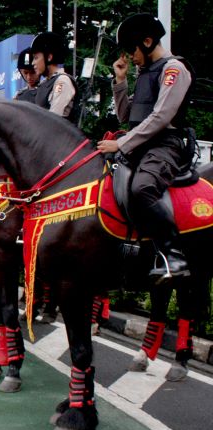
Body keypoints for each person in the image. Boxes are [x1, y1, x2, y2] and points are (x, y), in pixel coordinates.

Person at [97, 13, 195, 281]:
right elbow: (128, 116)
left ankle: (174, 256)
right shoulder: (144, 72)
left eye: (132, 49)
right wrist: (120, 81)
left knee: (142, 188)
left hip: (165, 145)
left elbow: (161, 117)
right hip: (140, 144)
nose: (130, 56)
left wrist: (121, 143)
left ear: (148, 41)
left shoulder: (173, 69)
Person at [30, 31, 78, 122]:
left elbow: (53, 120)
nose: (33, 63)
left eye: (36, 58)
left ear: (49, 57)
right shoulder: (44, 84)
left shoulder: (62, 81)